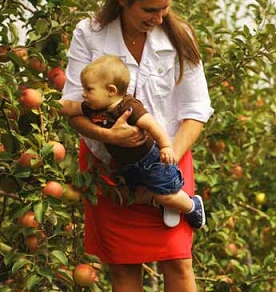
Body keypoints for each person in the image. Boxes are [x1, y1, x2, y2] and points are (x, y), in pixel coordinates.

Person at [61, 0, 213, 292]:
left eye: (166, 6)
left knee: (179, 260)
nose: (160, 16)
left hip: (168, 153)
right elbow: (74, 107)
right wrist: (107, 135)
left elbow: (196, 110)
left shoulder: (178, 36)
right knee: (123, 265)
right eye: (150, 8)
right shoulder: (90, 34)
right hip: (108, 163)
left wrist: (166, 162)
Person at [60, 55, 205, 229]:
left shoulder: (128, 107)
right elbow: (70, 107)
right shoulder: (93, 107)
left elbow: (153, 126)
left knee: (166, 195)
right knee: (128, 195)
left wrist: (166, 146)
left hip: (153, 162)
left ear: (111, 90)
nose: (83, 94)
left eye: (89, 89)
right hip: (127, 165)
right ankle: (159, 200)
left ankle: (192, 206)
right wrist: (47, 104)